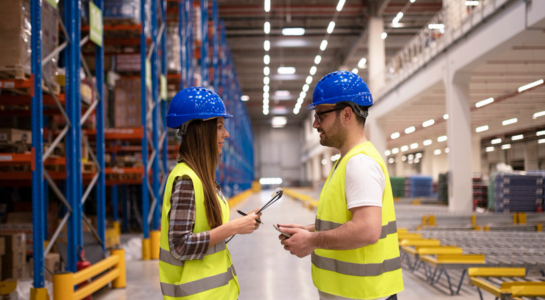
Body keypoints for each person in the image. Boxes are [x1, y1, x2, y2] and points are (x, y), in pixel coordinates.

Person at [278, 71, 404, 300]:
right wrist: (308, 231)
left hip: (363, 294)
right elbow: (347, 222)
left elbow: (366, 230)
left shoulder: (360, 163)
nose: (316, 124)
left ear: (346, 114)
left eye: (321, 115)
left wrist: (312, 242)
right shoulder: (347, 162)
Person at [159, 87, 261, 300]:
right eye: (220, 127)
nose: (226, 134)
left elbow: (205, 232)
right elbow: (180, 246)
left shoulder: (201, 177)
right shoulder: (187, 179)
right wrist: (233, 227)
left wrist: (239, 225)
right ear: (201, 131)